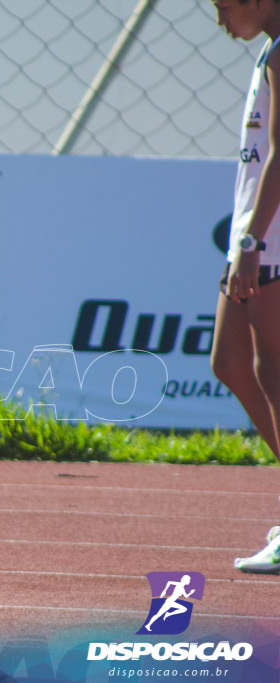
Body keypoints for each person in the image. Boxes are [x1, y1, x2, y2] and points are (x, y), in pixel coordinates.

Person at [209, 0, 280, 574]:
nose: (219, 19)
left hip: (270, 243)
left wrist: (254, 243)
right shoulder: (268, 52)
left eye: (222, 5)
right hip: (250, 241)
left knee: (273, 373)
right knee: (229, 361)